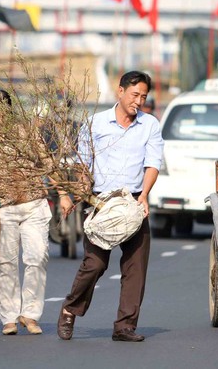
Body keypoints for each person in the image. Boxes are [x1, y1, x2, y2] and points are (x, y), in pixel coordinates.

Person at [58, 71, 164, 342]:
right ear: (120, 91)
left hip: (134, 202)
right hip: (102, 203)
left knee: (135, 267)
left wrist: (145, 195)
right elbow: (83, 164)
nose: (138, 101)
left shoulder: (150, 125)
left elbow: (152, 163)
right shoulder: (94, 123)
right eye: (134, 94)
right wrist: (78, 193)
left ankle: (124, 326)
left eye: (143, 96)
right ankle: (70, 309)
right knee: (94, 264)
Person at [0, 89, 70, 336]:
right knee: (6, 264)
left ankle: (30, 314)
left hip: (33, 204)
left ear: (6, 111)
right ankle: (9, 318)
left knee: (38, 256)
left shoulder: (26, 132)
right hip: (3, 208)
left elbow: (46, 162)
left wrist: (63, 193)